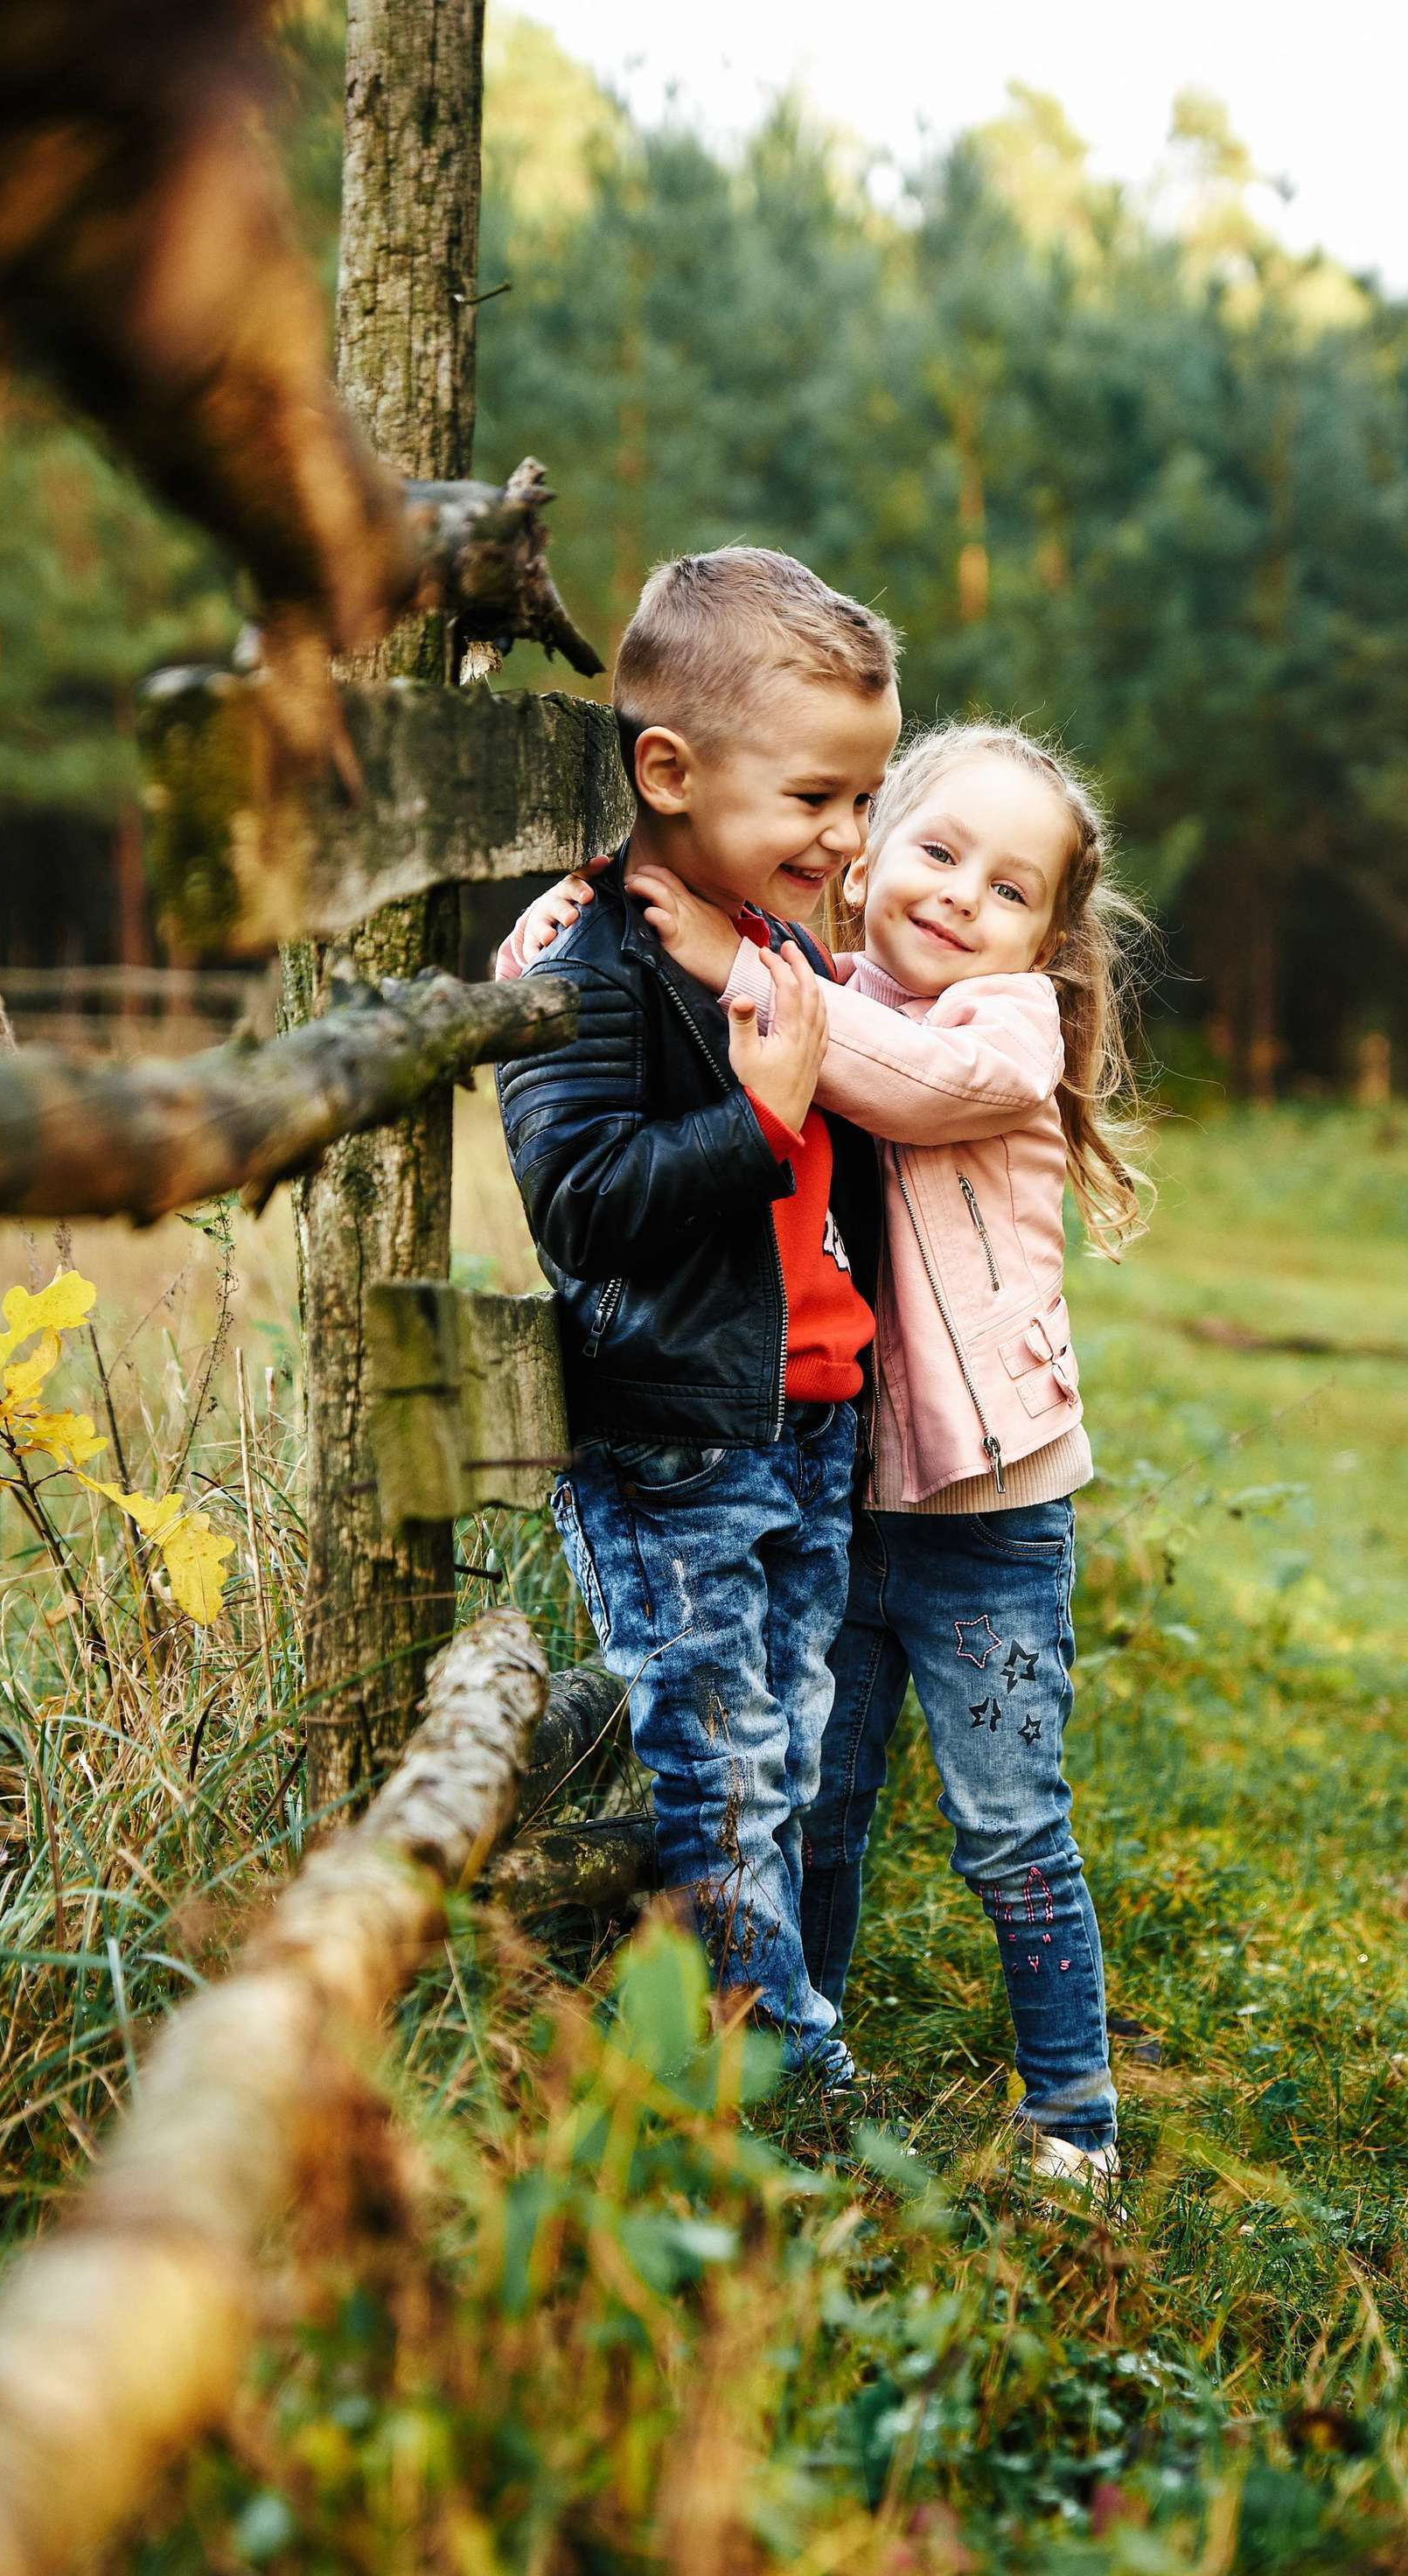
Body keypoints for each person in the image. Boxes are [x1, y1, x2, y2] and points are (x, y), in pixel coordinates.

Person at [503, 722, 1144, 2200]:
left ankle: (1076, 2118)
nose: (962, 897)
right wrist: (568, 937)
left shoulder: (1000, 1036)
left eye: (1010, 889)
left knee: (1008, 1823)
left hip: (991, 1521)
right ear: (868, 860)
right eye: (933, 850)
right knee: (819, 1789)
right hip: (849, 1489)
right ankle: (800, 2063)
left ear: (1047, 941)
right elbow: (707, 1005)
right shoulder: (827, 987)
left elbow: (888, 1078)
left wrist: (732, 959)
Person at [494, 546, 900, 2086]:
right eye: (816, 799)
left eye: (864, 799)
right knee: (718, 1763)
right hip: (675, 1439)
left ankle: (709, 2033)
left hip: (804, 1421)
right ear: (668, 768)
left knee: (783, 1747)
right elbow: (583, 1201)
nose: (849, 837)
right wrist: (758, 1116)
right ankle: (779, 2077)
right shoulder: (584, 959)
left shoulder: (780, 947)